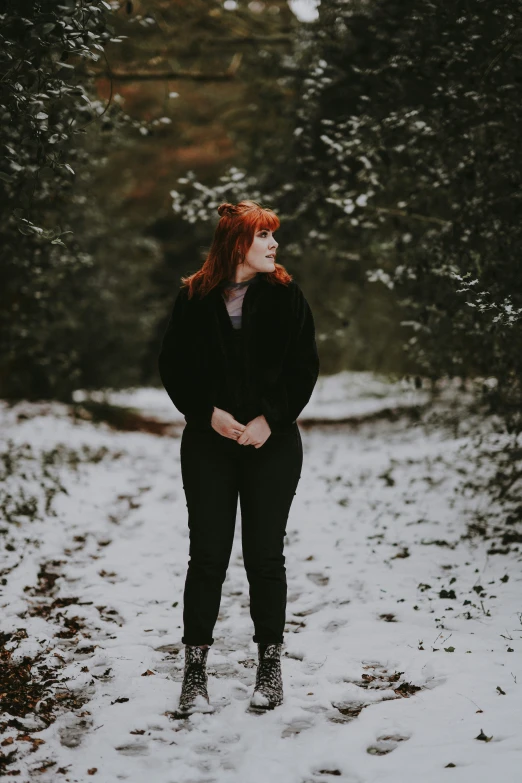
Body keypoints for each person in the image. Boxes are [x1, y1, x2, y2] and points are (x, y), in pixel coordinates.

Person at [158, 199, 320, 715]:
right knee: (207, 557)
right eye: (264, 237)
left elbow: (304, 366)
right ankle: (194, 675)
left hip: (273, 443)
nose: (274, 245)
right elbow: (173, 365)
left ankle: (269, 670)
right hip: (208, 444)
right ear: (237, 245)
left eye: (274, 236)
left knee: (264, 557)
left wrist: (269, 419)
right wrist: (206, 413)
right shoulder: (194, 297)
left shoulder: (287, 295)